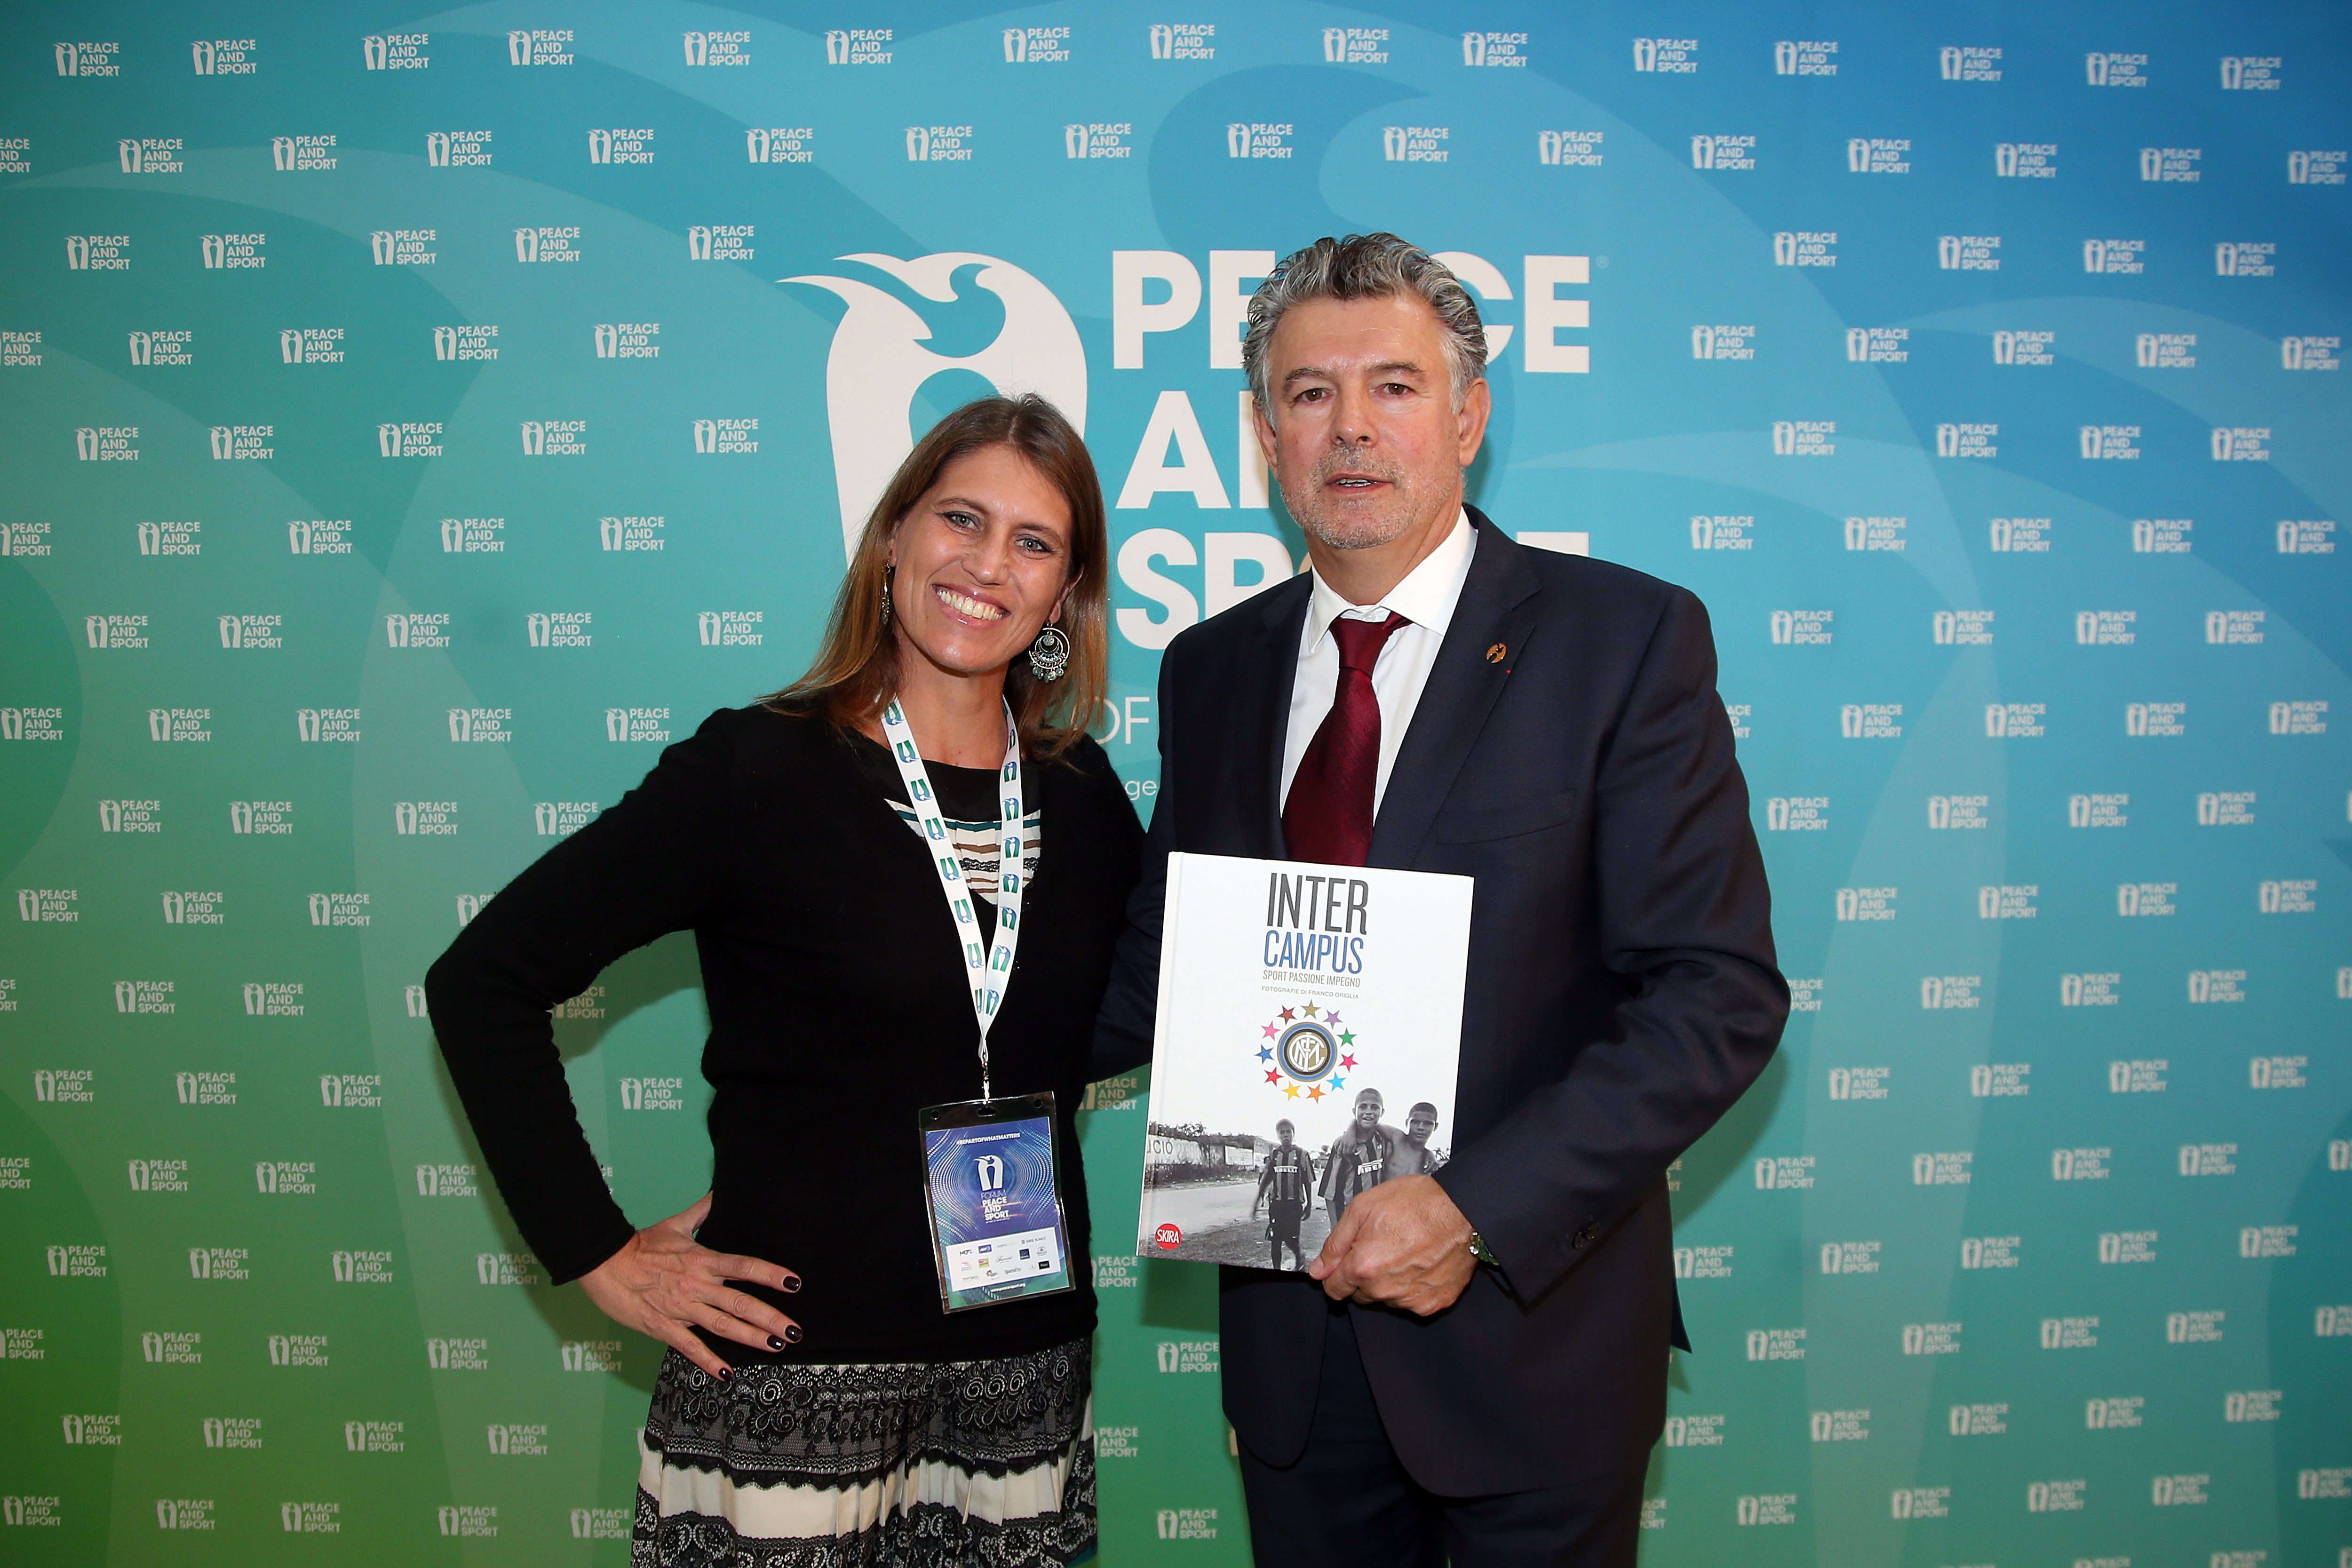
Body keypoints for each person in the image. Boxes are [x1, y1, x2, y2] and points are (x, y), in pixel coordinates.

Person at [1093, 235, 1786, 1566]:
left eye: (1395, 386)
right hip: (1295, 1367)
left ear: (1468, 418)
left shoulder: (1624, 640)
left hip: (1534, 1351)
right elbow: (1158, 967)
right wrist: (893, 1058)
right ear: (1267, 436)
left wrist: (1471, 1206)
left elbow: (1716, 994)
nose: (1351, 426)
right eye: (1310, 393)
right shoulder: (1211, 668)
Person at [429, 395, 1141, 1568]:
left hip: (1020, 1385)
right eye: (961, 519)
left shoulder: (1083, 797)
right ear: (894, 536)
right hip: (791, 1381)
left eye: (1033, 543)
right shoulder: (756, 771)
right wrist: (597, 1251)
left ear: (1063, 594)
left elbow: (1121, 1014)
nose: (987, 565)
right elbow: (482, 981)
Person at [1319, 1088, 1395, 1226]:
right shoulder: (1343, 1147)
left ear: (1382, 1112)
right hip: (1349, 1220)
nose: (1369, 1112)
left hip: (1374, 1219)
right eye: (1363, 1107)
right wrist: (1336, 1229)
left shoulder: (1383, 1140)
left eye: (1375, 1108)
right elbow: (1330, 1194)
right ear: (1355, 1111)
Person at [1254, 1118, 1312, 1268]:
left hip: (1295, 1205)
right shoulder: (1274, 1155)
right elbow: (1266, 1180)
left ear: (1294, 1134)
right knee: (1276, 1240)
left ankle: (1300, 1257)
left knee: (1292, 1238)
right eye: (1282, 1133)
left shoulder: (1302, 1154)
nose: (1285, 1135)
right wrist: (1256, 1202)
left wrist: (1309, 1204)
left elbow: (1307, 1181)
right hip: (1277, 1204)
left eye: (1288, 1132)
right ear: (1278, 1135)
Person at [1391, 1101, 1443, 1178]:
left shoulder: (1430, 1164)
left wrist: (1429, 1153)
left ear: (1436, 1127)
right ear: (1407, 1123)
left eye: (1428, 1124)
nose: (1421, 1127)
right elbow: (1375, 1124)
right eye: (1416, 1122)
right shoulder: (1395, 1139)